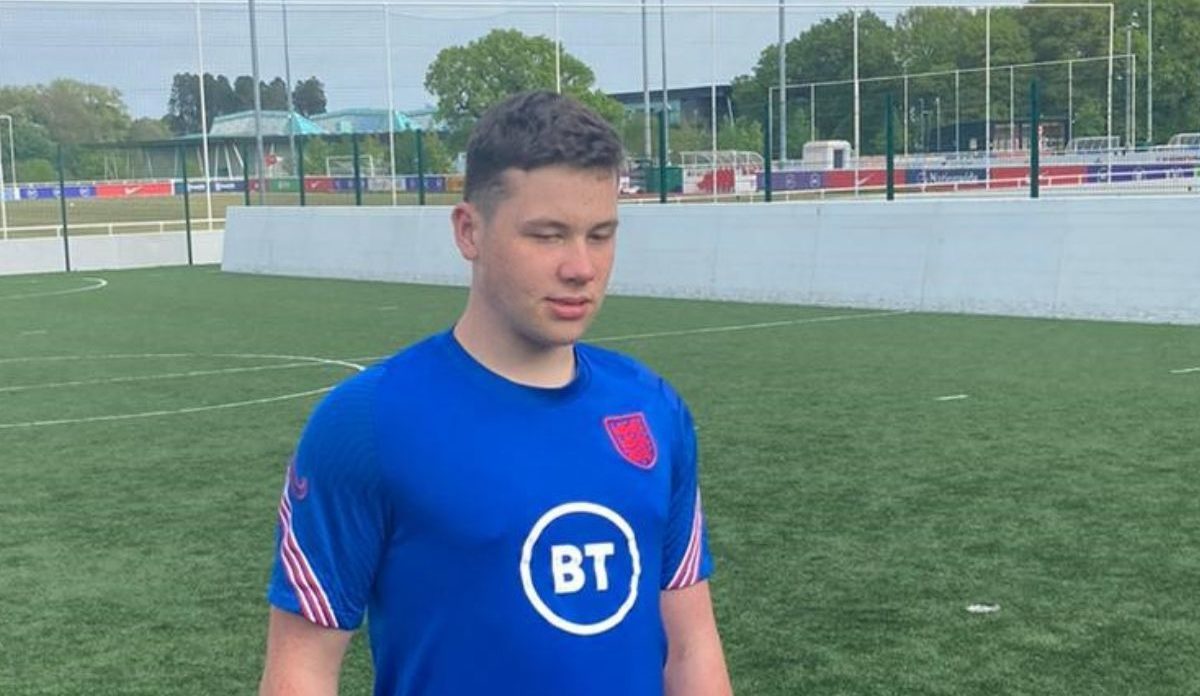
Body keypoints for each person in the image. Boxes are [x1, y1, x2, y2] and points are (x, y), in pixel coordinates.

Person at [259, 90, 733, 696]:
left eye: (601, 234)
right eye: (547, 235)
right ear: (469, 230)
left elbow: (692, 649)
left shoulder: (652, 409)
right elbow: (302, 669)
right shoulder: (368, 423)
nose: (581, 267)